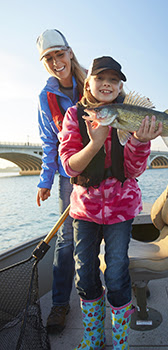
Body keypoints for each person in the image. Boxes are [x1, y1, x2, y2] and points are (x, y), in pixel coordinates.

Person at [58, 56, 162, 349]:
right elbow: (69, 167)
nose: (107, 84)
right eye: (101, 78)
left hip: (121, 210)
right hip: (84, 211)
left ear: (119, 87)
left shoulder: (131, 116)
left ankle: (119, 341)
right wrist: (94, 142)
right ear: (88, 81)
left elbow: (133, 170)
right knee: (86, 273)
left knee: (116, 274)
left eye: (114, 80)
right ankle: (92, 337)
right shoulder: (74, 116)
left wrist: (140, 141)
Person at [36, 29, 86, 333]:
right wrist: (45, 180)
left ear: (69, 52)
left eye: (59, 54)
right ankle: (59, 304)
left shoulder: (92, 84)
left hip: (104, 173)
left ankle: (122, 289)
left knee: (110, 230)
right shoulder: (45, 97)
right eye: (49, 58)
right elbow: (48, 143)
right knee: (67, 240)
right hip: (69, 177)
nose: (56, 62)